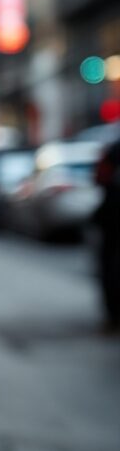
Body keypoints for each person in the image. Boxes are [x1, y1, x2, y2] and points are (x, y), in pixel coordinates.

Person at [92, 137, 120, 332]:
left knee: (110, 266)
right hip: (113, 218)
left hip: (113, 218)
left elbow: (99, 177)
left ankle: (113, 316)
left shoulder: (113, 149)